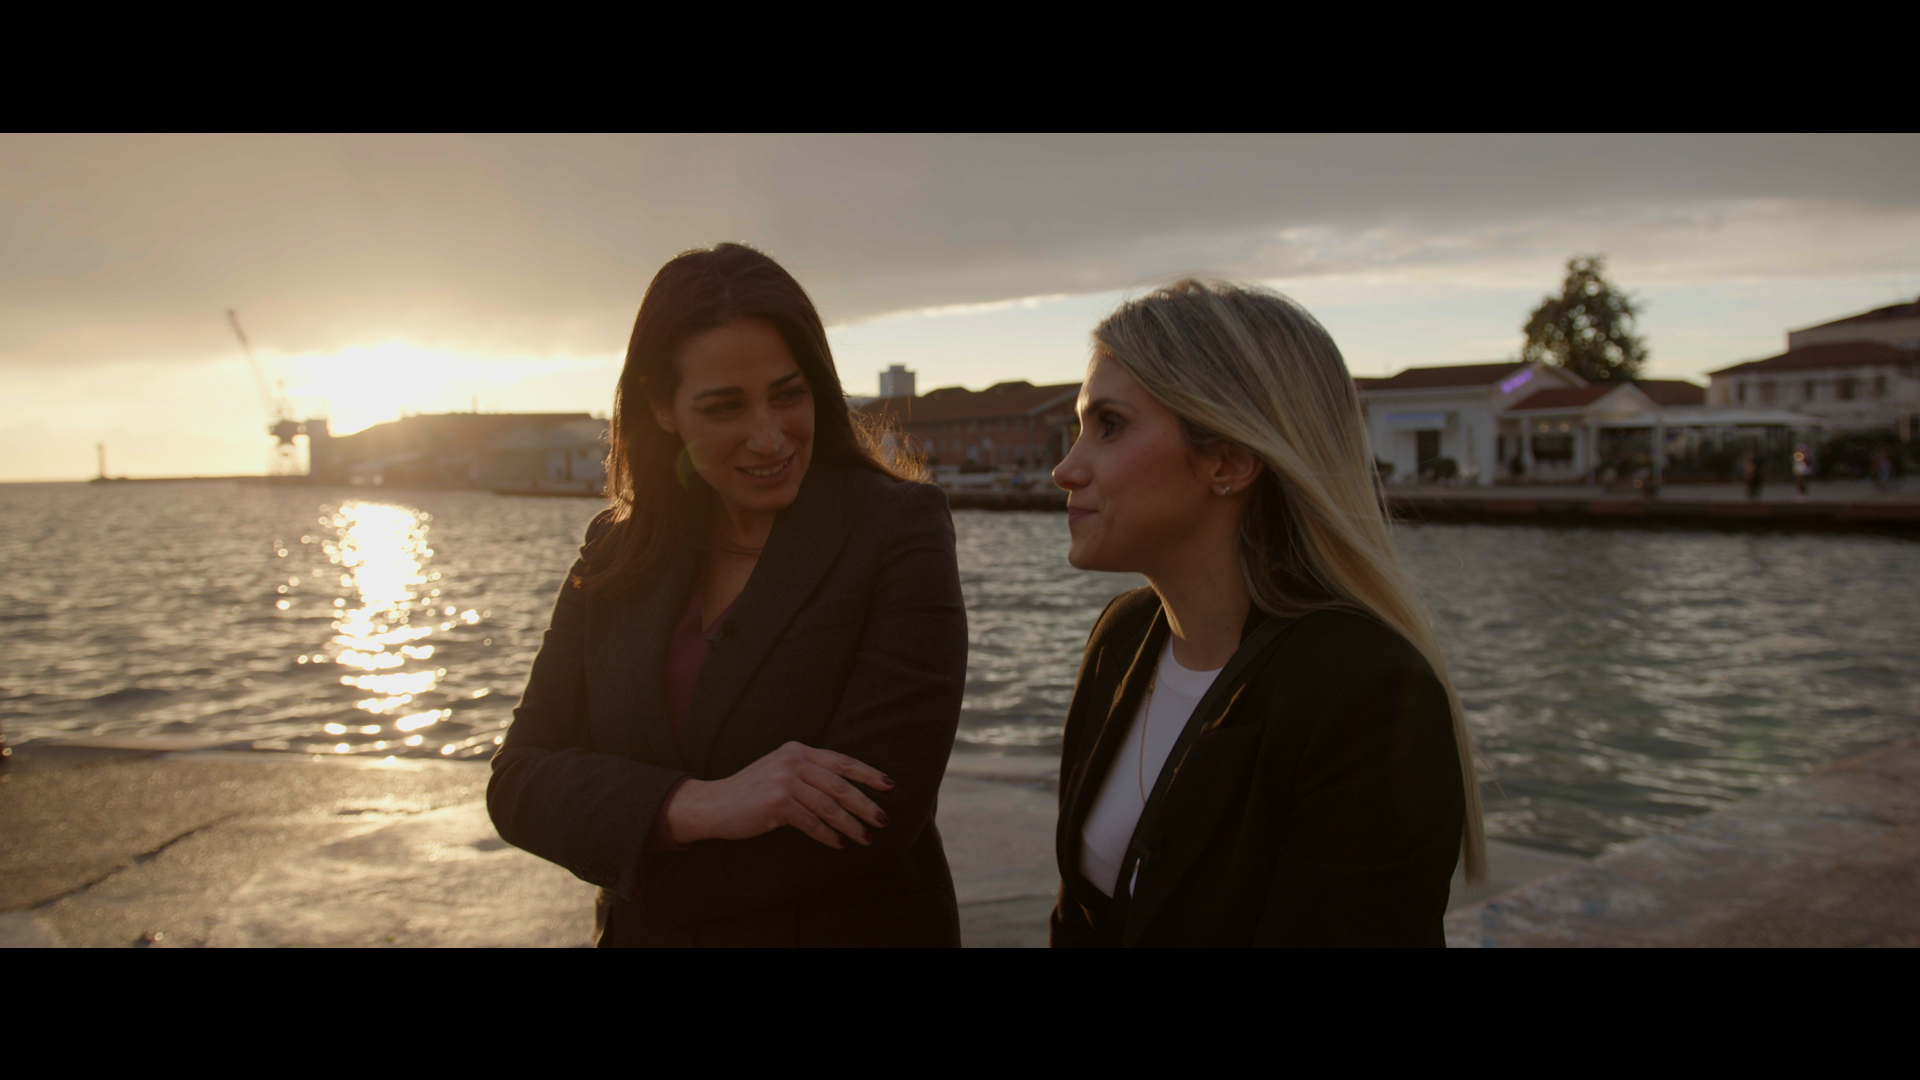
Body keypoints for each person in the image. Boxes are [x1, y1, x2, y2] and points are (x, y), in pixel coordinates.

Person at [489, 243, 968, 947]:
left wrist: (642, 858)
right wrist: (698, 805)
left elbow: (873, 814)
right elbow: (518, 782)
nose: (769, 438)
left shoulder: (898, 530)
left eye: (789, 394)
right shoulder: (615, 550)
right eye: (724, 407)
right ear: (661, 406)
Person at [1048, 281, 1483, 948]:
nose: (1065, 469)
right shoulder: (1123, 637)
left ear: (1229, 461)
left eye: (1110, 426)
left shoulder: (1363, 696)